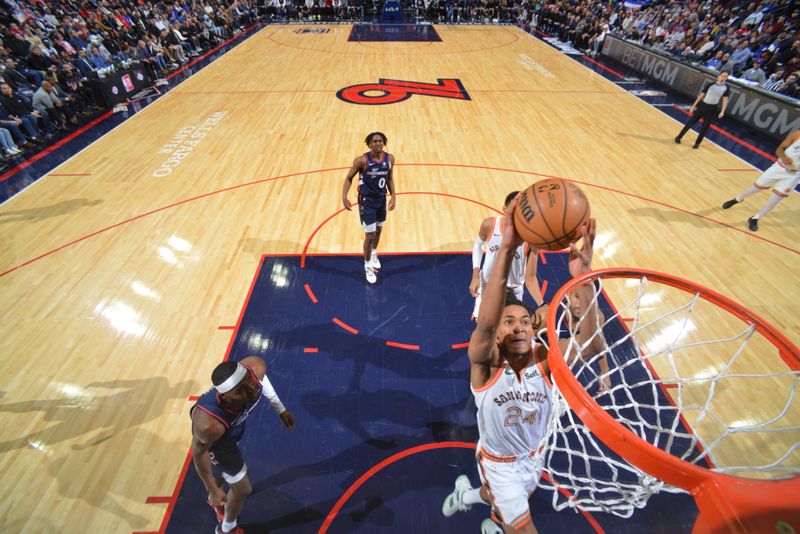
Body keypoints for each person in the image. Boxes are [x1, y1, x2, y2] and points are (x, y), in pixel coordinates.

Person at [443, 197, 601, 534]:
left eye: (523, 321)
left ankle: (468, 495)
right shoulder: (484, 368)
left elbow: (589, 343)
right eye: (507, 322)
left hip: (533, 456)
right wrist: (505, 251)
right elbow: (485, 322)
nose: (517, 326)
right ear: (495, 334)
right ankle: (498, 525)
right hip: (498, 465)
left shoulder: (546, 359)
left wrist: (583, 276)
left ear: (534, 327)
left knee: (496, 497)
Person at [190, 357, 295, 534]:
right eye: (240, 391)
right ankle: (226, 529)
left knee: (223, 476)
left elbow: (260, 381)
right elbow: (199, 453)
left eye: (249, 382)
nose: (251, 392)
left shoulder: (255, 368)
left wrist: (280, 409)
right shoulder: (210, 426)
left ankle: (215, 496)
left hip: (231, 432)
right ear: (225, 396)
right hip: (219, 447)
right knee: (243, 489)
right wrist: (213, 489)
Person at [470, 191, 543, 321]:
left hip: (513, 290)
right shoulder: (489, 225)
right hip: (487, 284)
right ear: (504, 209)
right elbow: (477, 246)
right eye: (514, 209)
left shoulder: (532, 239)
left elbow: (530, 277)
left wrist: (541, 305)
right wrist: (475, 275)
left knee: (510, 326)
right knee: (482, 323)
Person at [342, 131, 396, 284]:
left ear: (384, 143)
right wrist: (344, 197)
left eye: (380, 141)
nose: (378, 143)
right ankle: (367, 266)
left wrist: (393, 196)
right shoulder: (362, 160)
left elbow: (390, 179)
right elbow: (348, 178)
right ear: (369, 144)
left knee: (379, 230)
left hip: (381, 199)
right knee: (370, 235)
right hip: (367, 201)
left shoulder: (390, 158)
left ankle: (373, 253)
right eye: (375, 141)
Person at [721, 129, 800, 232]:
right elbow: (779, 149)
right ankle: (738, 198)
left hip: (794, 175)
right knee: (756, 188)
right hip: (778, 168)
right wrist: (784, 157)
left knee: (776, 199)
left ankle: (755, 218)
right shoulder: (797, 134)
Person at [674, 71, 730, 149]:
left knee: (705, 127)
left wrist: (722, 111)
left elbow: (725, 99)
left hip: (712, 109)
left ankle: (697, 144)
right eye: (722, 76)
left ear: (726, 78)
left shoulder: (726, 88)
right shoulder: (711, 85)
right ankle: (678, 137)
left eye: (725, 76)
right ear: (718, 76)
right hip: (703, 106)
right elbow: (701, 96)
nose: (723, 77)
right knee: (691, 122)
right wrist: (693, 106)